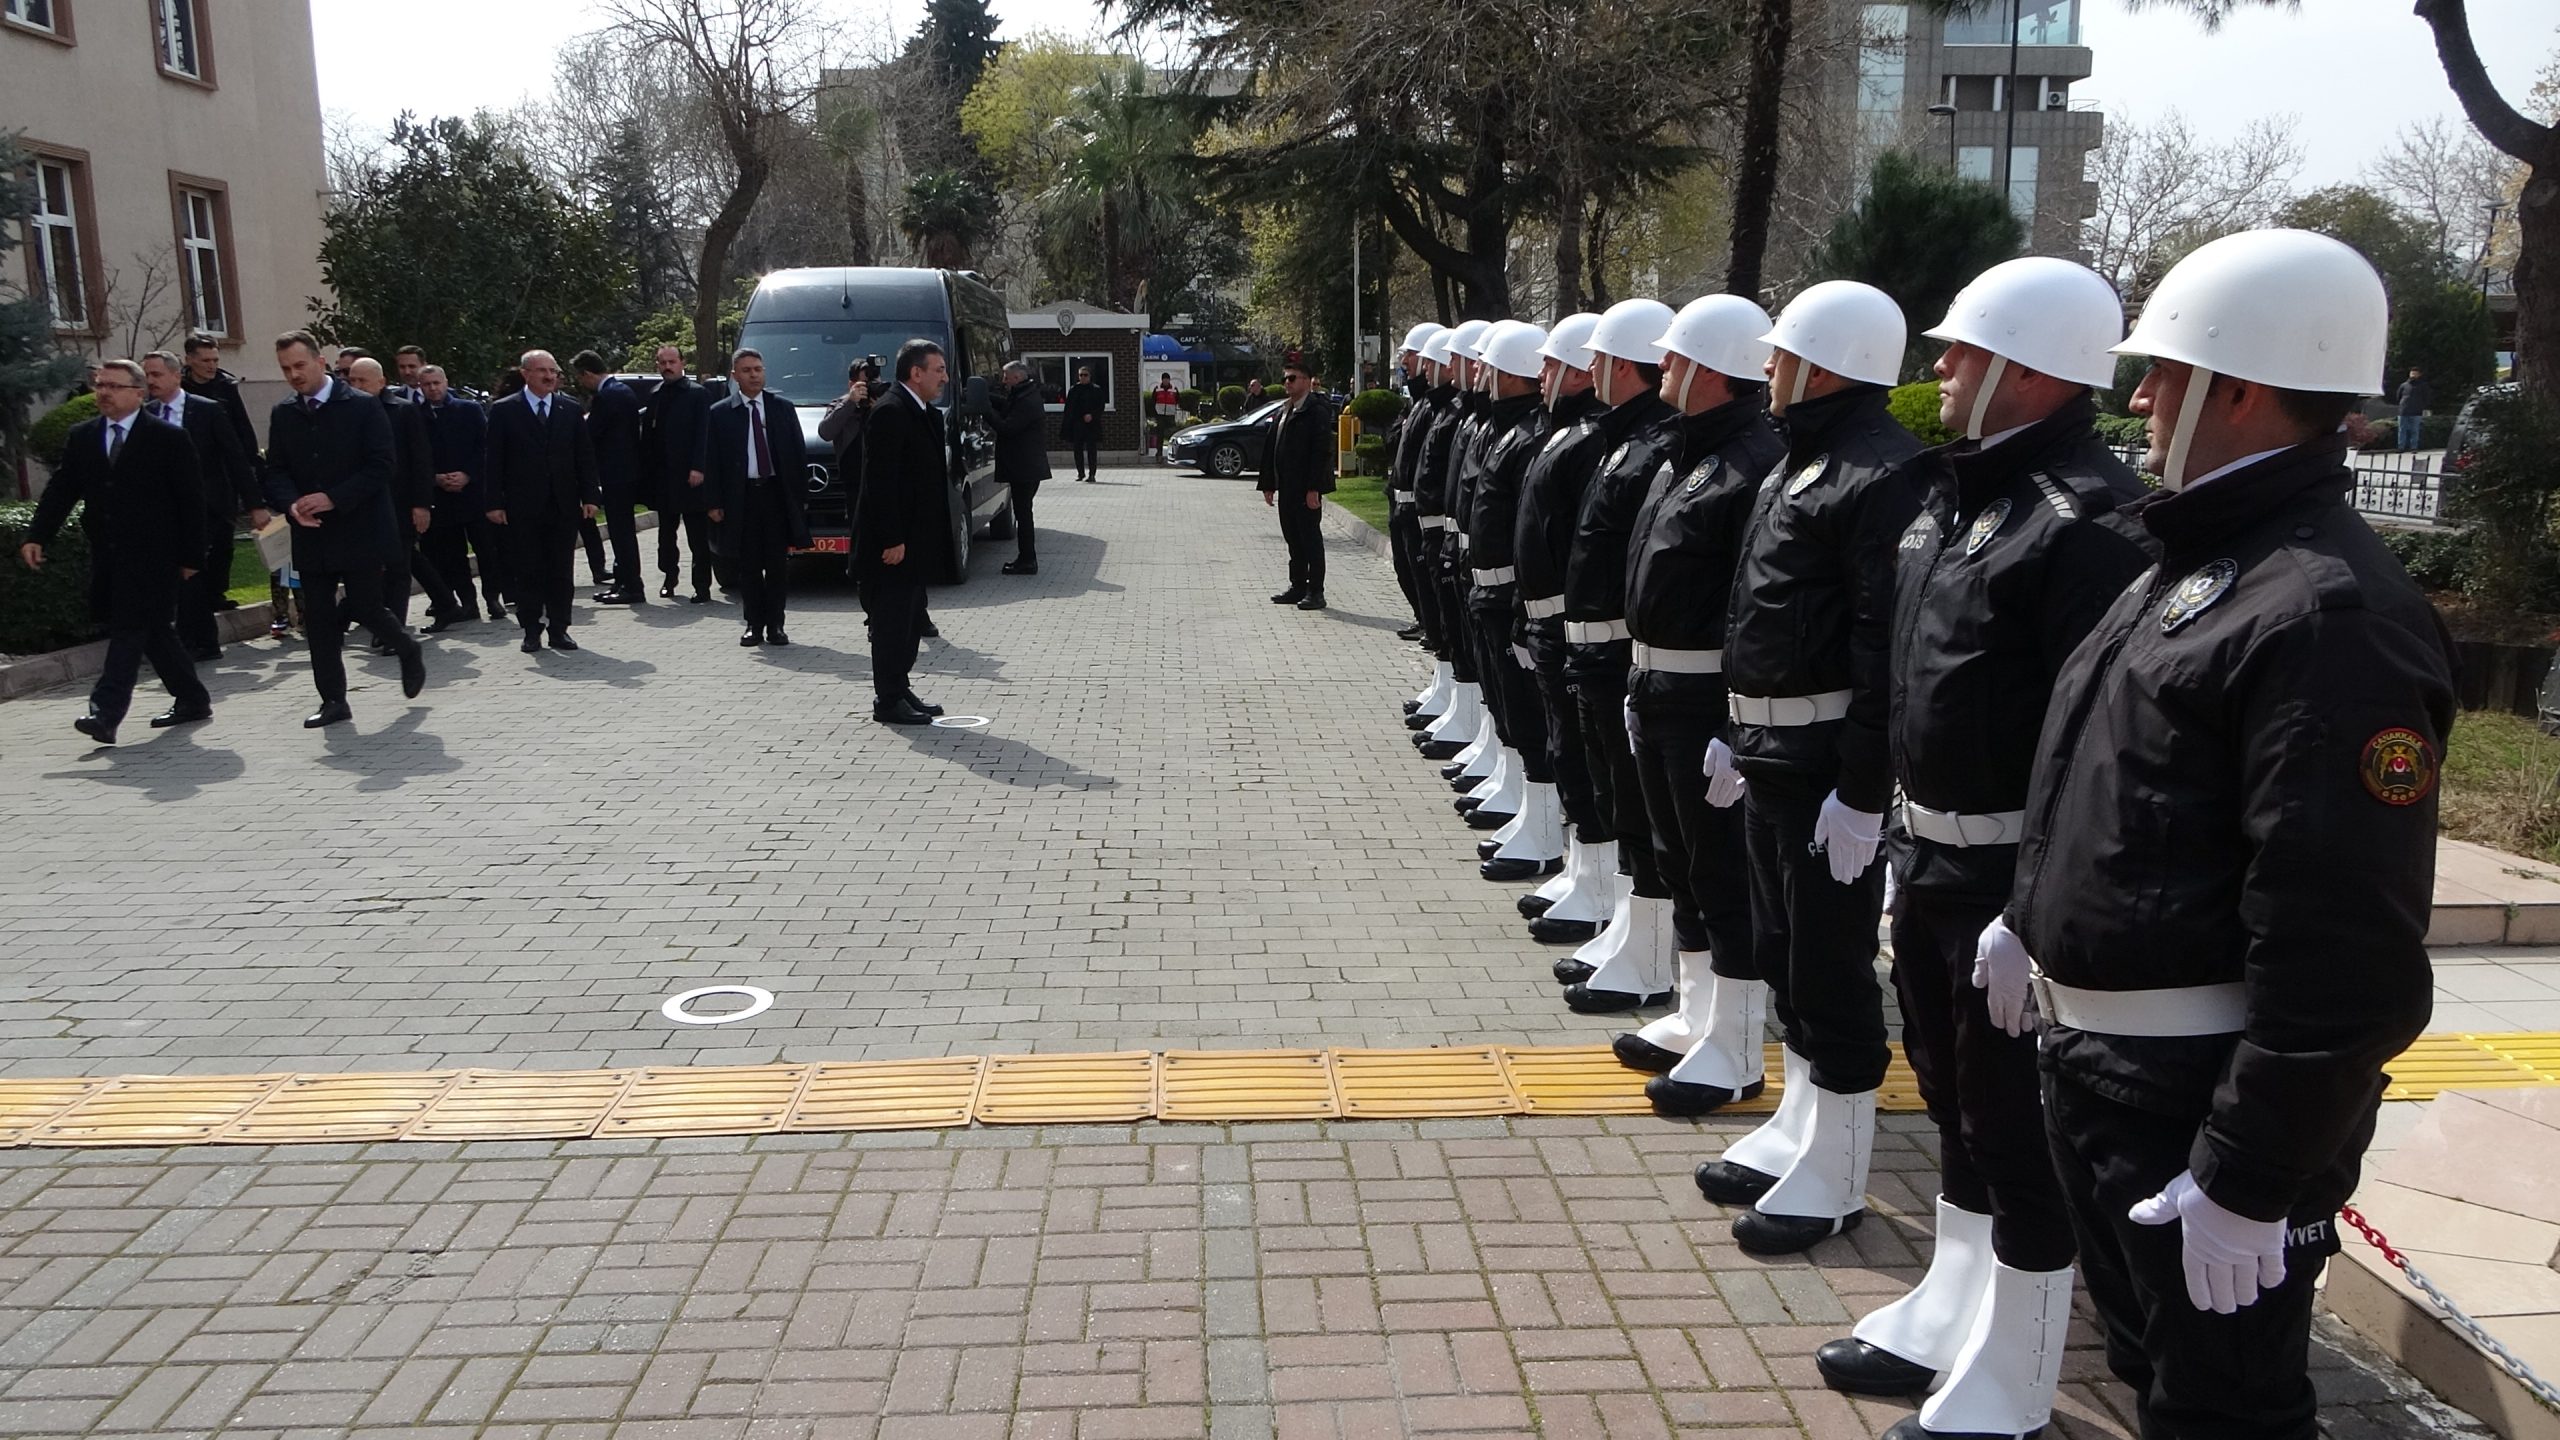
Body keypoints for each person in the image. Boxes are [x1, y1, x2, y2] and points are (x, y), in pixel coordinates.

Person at [1999, 229, 2454, 1440]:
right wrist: (2022, 921)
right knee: (2161, 1383)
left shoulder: (2321, 613)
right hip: (2114, 1078)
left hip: (2196, 1108)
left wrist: (2250, 1178)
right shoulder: (2202, 561)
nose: (2139, 399)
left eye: (2159, 374)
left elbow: (2343, 950)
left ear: (2238, 389)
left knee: (2226, 1411)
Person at [1806, 259, 2151, 1440]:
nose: (1939, 370)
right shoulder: (1960, 499)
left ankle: (2017, 1366)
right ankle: (1955, 1293)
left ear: (2028, 367)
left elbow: (2091, 740)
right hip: (1939, 863)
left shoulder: (2088, 523)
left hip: (2011, 878)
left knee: (2015, 1122)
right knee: (1952, 1096)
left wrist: (2038, 904)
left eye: (1962, 352)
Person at [1691, 281, 1921, 1256]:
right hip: (1771, 753)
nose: (1768, 370)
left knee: (1831, 971)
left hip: (1825, 764)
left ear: (1820, 363)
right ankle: (1798, 1127)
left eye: (1781, 353)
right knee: (1787, 951)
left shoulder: (1878, 473)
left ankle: (1838, 1175)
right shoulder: (1801, 461)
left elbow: (1881, 649)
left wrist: (1864, 790)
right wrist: (1731, 727)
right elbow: (1753, 615)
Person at [1606, 296, 1786, 1112]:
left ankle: (1737, 1044)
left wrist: (1728, 722)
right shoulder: (1692, 451)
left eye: (1675, 360)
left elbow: (1751, 607)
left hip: (1705, 697)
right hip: (1661, 685)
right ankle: (1696, 1011)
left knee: (1721, 875)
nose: (1662, 371)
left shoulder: (1751, 462)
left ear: (1712, 371)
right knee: (1680, 862)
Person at [1552, 299, 1681, 1015]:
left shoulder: (1656, 444)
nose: (1587, 370)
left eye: (1600, 359)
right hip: (1603, 653)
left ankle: (1651, 953)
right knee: (1617, 799)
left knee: (1639, 810)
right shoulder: (1627, 439)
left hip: (1632, 655)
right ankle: (1634, 931)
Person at [18, 358, 213, 744]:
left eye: (114, 386)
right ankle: (192, 698)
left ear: (138, 393)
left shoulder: (167, 438)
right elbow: (62, 490)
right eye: (99, 385)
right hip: (110, 553)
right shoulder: (84, 436)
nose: (104, 393)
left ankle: (104, 712)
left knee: (129, 628)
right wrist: (37, 534)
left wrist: (193, 557)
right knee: (153, 630)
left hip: (157, 555)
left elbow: (191, 501)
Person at [260, 331, 427, 725]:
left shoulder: (362, 407)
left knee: (368, 606)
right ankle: (333, 700)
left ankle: (406, 648)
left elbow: (382, 465)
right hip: (311, 532)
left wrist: (333, 497)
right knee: (318, 621)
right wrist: (291, 503)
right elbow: (276, 470)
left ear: (321, 362)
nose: (294, 375)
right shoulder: (285, 413)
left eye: (300, 366)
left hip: (359, 526)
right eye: (286, 369)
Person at [1508, 314, 1617, 919]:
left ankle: (1601, 887)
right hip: (1554, 622)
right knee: (1562, 750)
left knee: (1583, 763)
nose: (1539, 374)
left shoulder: (1592, 439)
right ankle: (1586, 871)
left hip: (1580, 630)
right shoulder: (1567, 433)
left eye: (1551, 364)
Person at [1454, 321, 1566, 881]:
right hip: (1497, 591)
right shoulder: (1511, 429)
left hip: (1520, 601)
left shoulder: (1531, 434)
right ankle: (1532, 813)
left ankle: (1547, 832)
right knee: (1513, 711)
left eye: (1487, 367)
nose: (1476, 375)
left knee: (1534, 722)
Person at [140, 350, 265, 661]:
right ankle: (201, 641)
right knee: (183, 575)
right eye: (146, 376)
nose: (150, 382)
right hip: (167, 511)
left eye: (156, 375)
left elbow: (235, 458)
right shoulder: (147, 414)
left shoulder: (207, 411)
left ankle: (194, 641)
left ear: (175, 375)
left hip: (208, 505)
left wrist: (255, 504)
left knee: (193, 573)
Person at [859, 339, 954, 724]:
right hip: (893, 545)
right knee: (891, 624)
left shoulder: (923, 411)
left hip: (917, 540)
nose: (945, 378)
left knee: (911, 619)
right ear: (916, 373)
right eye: (939, 370)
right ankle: (887, 700)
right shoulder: (891, 412)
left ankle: (900, 687)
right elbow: (880, 483)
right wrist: (892, 538)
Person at [482, 349, 600, 654]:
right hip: (522, 506)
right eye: (542, 371)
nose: (549, 377)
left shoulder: (569, 409)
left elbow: (584, 456)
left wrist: (590, 495)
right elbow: (493, 460)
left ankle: (560, 628)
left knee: (561, 570)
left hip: (562, 504)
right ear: (525, 374)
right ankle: (531, 629)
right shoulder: (505, 410)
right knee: (528, 569)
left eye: (554, 371)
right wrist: (494, 502)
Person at [701, 348, 812, 647]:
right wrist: (713, 502)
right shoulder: (721, 413)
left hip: (775, 495)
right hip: (742, 498)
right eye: (747, 370)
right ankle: (754, 624)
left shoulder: (781, 408)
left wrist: (800, 499)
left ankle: (776, 624)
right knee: (748, 566)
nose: (754, 375)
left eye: (758, 369)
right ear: (735, 376)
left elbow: (797, 455)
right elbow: (711, 460)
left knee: (777, 565)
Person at [344, 358, 462, 637]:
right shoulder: (346, 411)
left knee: (398, 568)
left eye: (363, 381)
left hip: (400, 501)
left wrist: (422, 504)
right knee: (402, 559)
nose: (357, 386)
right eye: (353, 381)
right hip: (363, 502)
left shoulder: (403, 410)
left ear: (381, 382)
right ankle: (446, 603)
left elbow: (421, 460)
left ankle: (391, 632)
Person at [418, 366, 505, 623]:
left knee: (486, 549)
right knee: (453, 554)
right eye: (427, 385)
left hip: (473, 493)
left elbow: (485, 448)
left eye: (436, 383)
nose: (433, 389)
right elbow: (415, 455)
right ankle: (467, 602)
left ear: (446, 382)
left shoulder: (469, 410)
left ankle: (492, 597)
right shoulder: (415, 415)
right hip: (441, 496)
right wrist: (435, 478)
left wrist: (468, 474)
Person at [1261, 350, 1338, 610]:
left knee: (1310, 539)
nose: (1287, 383)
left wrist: (1314, 488)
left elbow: (1321, 451)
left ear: (1306, 380)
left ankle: (1316, 591)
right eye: (1286, 379)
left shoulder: (1316, 410)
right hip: (1288, 487)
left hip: (1306, 487)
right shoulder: (1286, 409)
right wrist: (1269, 483)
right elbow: (1273, 446)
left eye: (1292, 378)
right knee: (1293, 537)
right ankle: (1298, 585)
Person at [1386, 325, 1447, 649]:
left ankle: (1431, 625)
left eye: (1409, 355)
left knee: (1423, 576)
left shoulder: (1434, 403)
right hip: (1404, 502)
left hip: (1420, 509)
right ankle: (1425, 621)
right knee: (1406, 569)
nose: (1405, 362)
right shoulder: (1417, 401)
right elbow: (1397, 440)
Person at [642, 345, 718, 602]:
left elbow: (704, 434)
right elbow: (649, 439)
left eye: (672, 361)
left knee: (698, 536)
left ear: (682, 363)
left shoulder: (698, 394)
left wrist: (699, 467)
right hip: (664, 477)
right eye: (662, 362)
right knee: (666, 534)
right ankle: (669, 577)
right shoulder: (655, 394)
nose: (667, 366)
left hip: (691, 477)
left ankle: (702, 586)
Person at [574, 351, 648, 604]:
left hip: (616, 474)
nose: (582, 384)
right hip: (626, 471)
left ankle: (631, 585)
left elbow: (592, 432)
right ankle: (622, 580)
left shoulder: (607, 396)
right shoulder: (622, 390)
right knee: (621, 530)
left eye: (580, 378)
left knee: (621, 532)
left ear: (587, 373)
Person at [990, 360, 1051, 575]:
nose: (1004, 381)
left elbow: (1008, 427)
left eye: (1006, 377)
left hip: (1025, 469)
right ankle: (1026, 558)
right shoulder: (1023, 394)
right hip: (1025, 467)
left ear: (1017, 377)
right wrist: (988, 399)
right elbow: (1007, 406)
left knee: (1024, 515)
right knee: (1024, 513)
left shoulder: (1027, 400)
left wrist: (986, 412)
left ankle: (1027, 560)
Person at [179, 335, 262, 486]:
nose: (211, 366)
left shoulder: (226, 386)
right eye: (205, 361)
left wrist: (251, 464)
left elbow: (242, 426)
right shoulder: (179, 388)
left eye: (215, 360)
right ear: (189, 360)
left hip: (224, 463)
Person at [1061, 366, 1106, 483]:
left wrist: (1092, 415)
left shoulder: (1096, 390)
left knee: (1091, 450)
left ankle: (1092, 474)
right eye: (1081, 375)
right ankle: (1080, 473)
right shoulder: (1074, 390)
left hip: (1092, 424)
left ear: (1090, 376)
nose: (1083, 377)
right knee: (1077, 449)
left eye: (1085, 375)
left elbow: (1101, 406)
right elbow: (1069, 408)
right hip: (1077, 424)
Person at [2394, 366, 2430, 451]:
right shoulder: (2404, 385)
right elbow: (2398, 396)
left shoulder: (2423, 386)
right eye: (2412, 373)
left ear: (2419, 375)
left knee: (2415, 430)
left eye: (2415, 373)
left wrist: (2421, 406)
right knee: (2402, 430)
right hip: (2404, 411)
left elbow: (2426, 398)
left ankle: (2413, 447)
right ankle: (2401, 447)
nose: (2413, 375)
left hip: (2416, 411)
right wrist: (2402, 405)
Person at [1151, 373, 1179, 454]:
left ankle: (1173, 452)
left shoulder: (1174, 389)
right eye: (1164, 379)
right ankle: (1159, 452)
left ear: (1169, 380)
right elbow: (1153, 400)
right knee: (1160, 434)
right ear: (1162, 380)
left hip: (1170, 415)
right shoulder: (1157, 389)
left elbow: (1177, 399)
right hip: (1160, 415)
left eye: (1167, 379)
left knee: (1171, 434)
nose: (1166, 381)